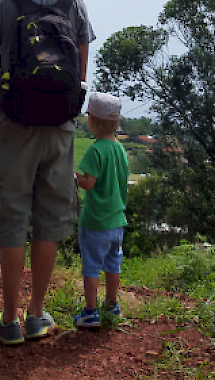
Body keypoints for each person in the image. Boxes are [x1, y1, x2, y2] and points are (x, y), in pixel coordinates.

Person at [0, 0, 96, 345]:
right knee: (49, 218)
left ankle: (8, 320)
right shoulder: (73, 3)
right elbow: (79, 74)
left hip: (14, 123)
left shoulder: (0, 0)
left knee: (11, 217)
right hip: (60, 127)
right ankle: (38, 315)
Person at [74, 92, 129, 328]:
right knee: (112, 265)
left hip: (95, 221)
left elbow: (88, 182)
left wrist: (72, 176)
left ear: (92, 121)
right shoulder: (120, 150)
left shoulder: (95, 151)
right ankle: (112, 304)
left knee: (92, 267)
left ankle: (90, 311)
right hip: (117, 220)